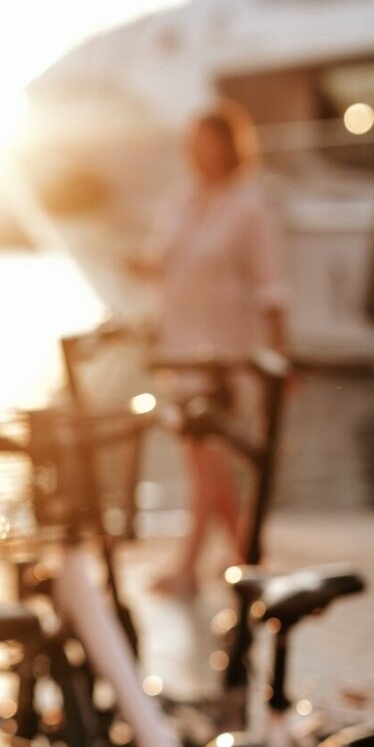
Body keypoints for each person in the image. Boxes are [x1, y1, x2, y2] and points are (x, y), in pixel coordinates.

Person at [132, 103, 289, 593]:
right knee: (204, 462)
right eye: (192, 142)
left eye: (206, 141)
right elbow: (159, 261)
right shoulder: (184, 201)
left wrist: (280, 360)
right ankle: (247, 556)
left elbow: (271, 289)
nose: (197, 152)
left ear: (228, 145)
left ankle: (188, 569)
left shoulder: (250, 208)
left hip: (225, 358)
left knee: (206, 461)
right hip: (181, 354)